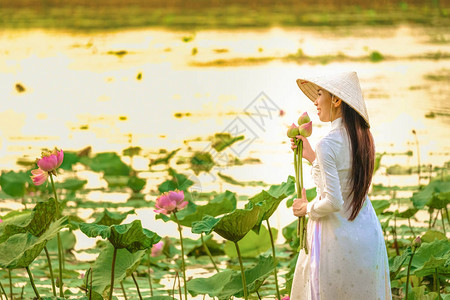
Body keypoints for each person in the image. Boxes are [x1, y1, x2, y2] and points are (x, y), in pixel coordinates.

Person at [289, 71, 392, 300]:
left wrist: (305, 208)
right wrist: (312, 158)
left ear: (336, 100)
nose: (315, 102)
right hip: (366, 232)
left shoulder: (328, 143)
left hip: (334, 238)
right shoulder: (362, 137)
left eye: (319, 94)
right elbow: (343, 181)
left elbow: (334, 201)